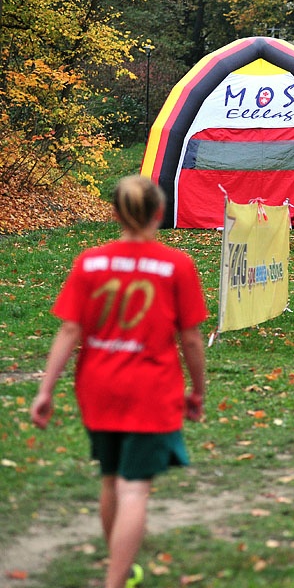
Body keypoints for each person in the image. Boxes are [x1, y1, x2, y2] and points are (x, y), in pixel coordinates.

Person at [30, 175, 207, 588]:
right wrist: (197, 389)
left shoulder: (89, 262)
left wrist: (45, 390)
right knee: (134, 491)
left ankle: (120, 570)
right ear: (159, 214)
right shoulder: (176, 265)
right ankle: (116, 581)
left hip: (98, 387)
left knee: (110, 479)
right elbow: (192, 338)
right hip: (151, 388)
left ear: (114, 214)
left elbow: (69, 331)